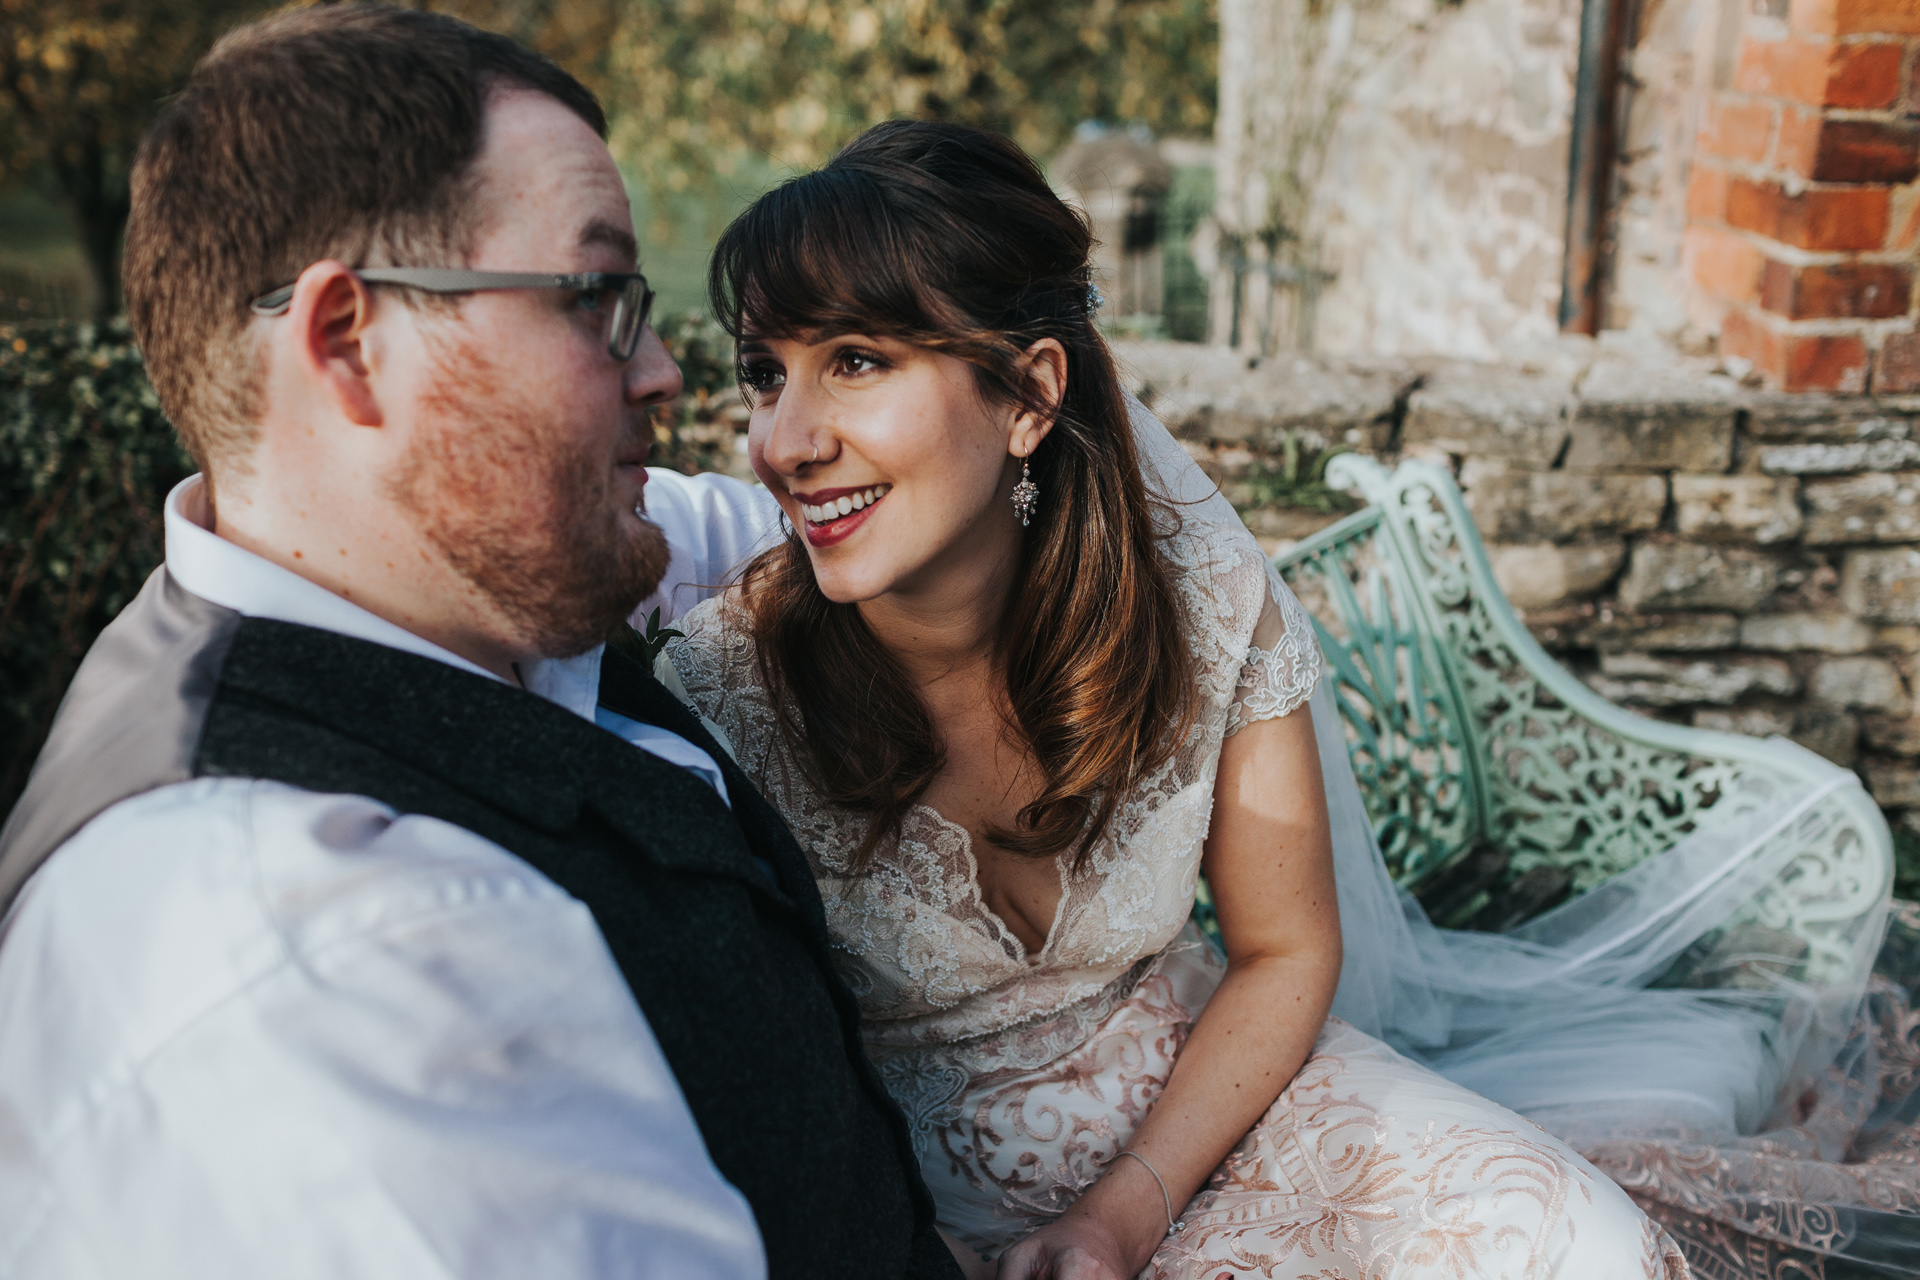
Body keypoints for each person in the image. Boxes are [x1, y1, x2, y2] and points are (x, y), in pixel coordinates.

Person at [0, 9, 961, 1279]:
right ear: (350, 345)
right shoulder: (325, 953)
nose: (668, 370)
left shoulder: (466, 580)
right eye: (598, 299)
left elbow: (770, 530)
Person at [664, 120, 1695, 1280]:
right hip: (904, 1210)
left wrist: (1123, 1211)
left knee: (1584, 1246)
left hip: (1215, 1108)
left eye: (855, 359)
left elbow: (1285, 946)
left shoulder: (1199, 609)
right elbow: (730, 1086)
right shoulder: (719, 694)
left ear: (1028, 394)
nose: (787, 440)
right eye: (766, 371)